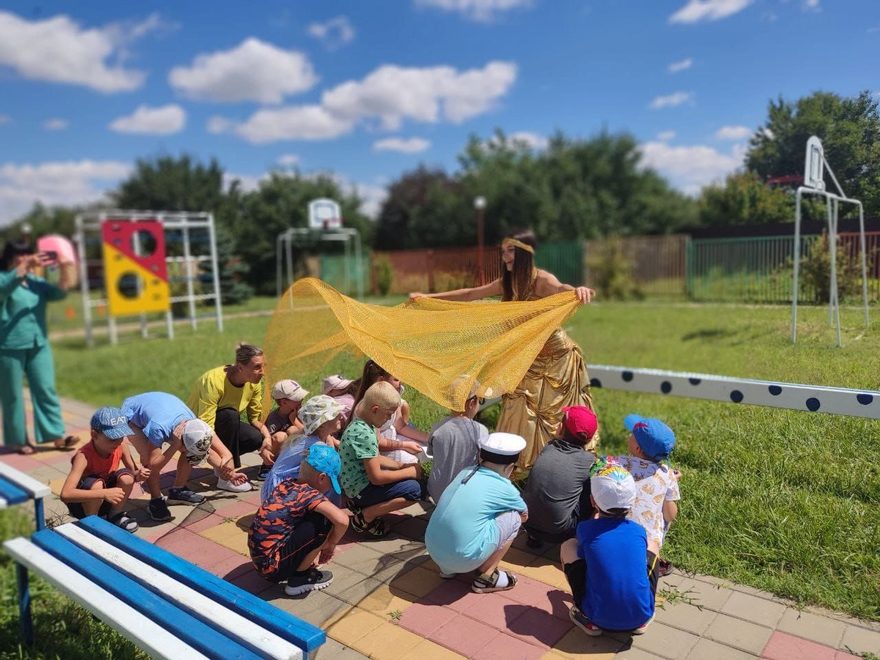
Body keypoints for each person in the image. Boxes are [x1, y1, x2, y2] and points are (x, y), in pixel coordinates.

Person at [410, 230, 597, 468]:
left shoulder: (542, 280)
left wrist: (579, 290)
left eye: (511, 250)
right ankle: (520, 466)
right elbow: (469, 294)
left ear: (525, 253)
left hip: (556, 358)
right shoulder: (507, 283)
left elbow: (563, 289)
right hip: (527, 358)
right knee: (518, 408)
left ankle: (555, 465)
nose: (505, 256)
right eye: (503, 251)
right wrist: (428, 298)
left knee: (551, 415)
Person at [121, 391, 251, 522]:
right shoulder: (158, 428)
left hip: (164, 411)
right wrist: (175, 446)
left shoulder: (199, 426)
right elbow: (153, 465)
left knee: (190, 451)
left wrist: (230, 475)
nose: (194, 463)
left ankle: (177, 491)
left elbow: (219, 453)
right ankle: (155, 500)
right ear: (181, 441)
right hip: (132, 416)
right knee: (146, 459)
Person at [425, 432, 528, 593]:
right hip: (464, 558)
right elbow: (524, 516)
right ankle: (486, 577)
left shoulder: (465, 472)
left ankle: (447, 570)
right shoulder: (506, 488)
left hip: (433, 550)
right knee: (513, 518)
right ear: (509, 468)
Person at [0, 239, 78, 454]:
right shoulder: (4, 279)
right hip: (8, 346)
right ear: (9, 258)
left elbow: (59, 293)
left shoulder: (34, 281)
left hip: (38, 344)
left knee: (45, 389)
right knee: (12, 395)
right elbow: (4, 289)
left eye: (27, 254)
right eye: (20, 255)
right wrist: (24, 267)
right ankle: (18, 440)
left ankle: (56, 436)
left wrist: (64, 267)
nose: (25, 258)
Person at [561, 461, 656, 636]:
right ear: (632, 501)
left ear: (592, 501)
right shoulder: (638, 531)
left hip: (597, 616)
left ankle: (584, 613)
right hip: (642, 615)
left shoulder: (585, 529)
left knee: (568, 546)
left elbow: (588, 552)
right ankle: (640, 620)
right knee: (653, 545)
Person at [249, 444, 349, 596]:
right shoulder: (309, 494)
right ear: (321, 478)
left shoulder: (287, 484)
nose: (330, 488)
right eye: (331, 481)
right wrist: (330, 545)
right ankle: (300, 579)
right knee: (323, 522)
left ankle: (299, 565)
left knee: (314, 515)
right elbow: (342, 521)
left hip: (262, 561)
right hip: (273, 569)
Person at [339, 381, 425, 537]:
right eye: (388, 414)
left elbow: (374, 457)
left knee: (410, 481)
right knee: (415, 490)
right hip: (360, 489)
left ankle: (364, 507)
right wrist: (410, 472)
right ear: (375, 409)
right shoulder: (365, 433)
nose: (389, 418)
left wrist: (400, 466)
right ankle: (366, 516)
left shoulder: (363, 423)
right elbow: (377, 478)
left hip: (354, 485)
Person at [60, 407, 149, 532]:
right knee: (97, 484)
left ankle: (115, 514)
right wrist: (103, 493)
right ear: (94, 435)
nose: (118, 442)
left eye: (121, 436)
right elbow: (66, 494)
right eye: (112, 438)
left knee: (127, 477)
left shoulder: (120, 446)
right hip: (84, 503)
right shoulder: (83, 456)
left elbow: (133, 472)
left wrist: (139, 474)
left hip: (108, 498)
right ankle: (92, 522)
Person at [188, 343, 273, 473]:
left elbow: (255, 419)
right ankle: (227, 471)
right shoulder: (214, 380)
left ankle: (222, 464)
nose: (263, 372)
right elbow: (207, 425)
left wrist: (267, 439)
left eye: (263, 366)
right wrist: (225, 454)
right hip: (197, 428)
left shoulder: (253, 382)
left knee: (256, 437)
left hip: (224, 425)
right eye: (257, 367)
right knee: (230, 415)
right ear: (240, 367)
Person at [611, 414, 680, 574]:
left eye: (632, 435)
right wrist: (670, 485)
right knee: (664, 514)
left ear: (637, 449)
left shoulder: (618, 463)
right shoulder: (666, 474)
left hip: (614, 533)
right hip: (647, 544)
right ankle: (654, 560)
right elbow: (670, 515)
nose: (629, 436)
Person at [523, 406, 598, 547]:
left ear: (559, 428)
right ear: (590, 439)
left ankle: (533, 537)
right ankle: (580, 542)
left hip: (526, 521)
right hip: (560, 533)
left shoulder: (548, 448)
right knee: (593, 489)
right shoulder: (589, 461)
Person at [260, 394, 344, 504]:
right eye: (335, 414)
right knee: (329, 476)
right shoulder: (317, 446)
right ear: (322, 423)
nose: (341, 416)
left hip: (272, 488)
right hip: (280, 494)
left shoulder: (305, 436)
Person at [349, 359, 426, 464]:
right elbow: (378, 443)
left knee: (422, 448)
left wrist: (427, 438)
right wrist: (405, 445)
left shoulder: (391, 396)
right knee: (413, 462)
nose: (401, 383)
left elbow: (400, 426)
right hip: (377, 452)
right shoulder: (372, 410)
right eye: (396, 379)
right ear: (381, 381)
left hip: (390, 440)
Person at [426, 379, 489, 503]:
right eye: (480, 401)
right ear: (472, 403)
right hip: (463, 493)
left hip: (437, 492)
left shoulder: (438, 428)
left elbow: (431, 453)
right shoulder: (481, 431)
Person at [261, 379, 309, 480]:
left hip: (294, 453)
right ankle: (267, 466)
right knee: (280, 436)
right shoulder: (273, 419)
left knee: (293, 429)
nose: (301, 400)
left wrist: (294, 421)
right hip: (277, 453)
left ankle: (295, 464)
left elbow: (310, 434)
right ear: (284, 402)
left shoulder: (302, 412)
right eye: (297, 398)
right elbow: (268, 443)